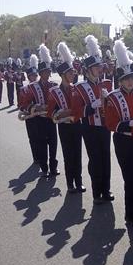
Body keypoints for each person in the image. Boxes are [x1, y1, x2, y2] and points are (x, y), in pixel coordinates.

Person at [105, 40, 133, 226]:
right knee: (130, 178)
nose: (131, 81)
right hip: (123, 142)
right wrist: (132, 123)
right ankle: (130, 215)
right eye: (127, 79)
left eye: (132, 78)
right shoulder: (113, 97)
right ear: (121, 80)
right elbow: (111, 124)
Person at [71, 36, 113, 204]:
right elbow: (76, 112)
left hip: (104, 126)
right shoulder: (79, 87)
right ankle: (97, 192)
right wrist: (93, 105)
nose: (99, 69)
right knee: (95, 159)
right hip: (89, 127)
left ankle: (106, 189)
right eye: (95, 67)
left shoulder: (107, 84)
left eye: (99, 66)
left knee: (106, 158)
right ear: (88, 70)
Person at [47, 43, 85, 193]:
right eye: (70, 73)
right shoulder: (54, 92)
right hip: (63, 126)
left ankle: (79, 181)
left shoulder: (77, 89)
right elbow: (51, 112)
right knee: (68, 154)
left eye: (73, 72)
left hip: (77, 124)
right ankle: (70, 183)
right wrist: (61, 113)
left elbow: (81, 107)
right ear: (63, 75)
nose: (73, 75)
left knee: (78, 154)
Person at [20, 47, 59, 178]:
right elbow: (25, 104)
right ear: (41, 73)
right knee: (42, 144)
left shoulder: (54, 85)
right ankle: (44, 168)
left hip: (52, 119)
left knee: (53, 143)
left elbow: (60, 101)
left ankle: (53, 167)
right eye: (45, 72)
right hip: (39, 120)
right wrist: (35, 107)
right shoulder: (32, 87)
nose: (48, 74)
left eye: (49, 71)